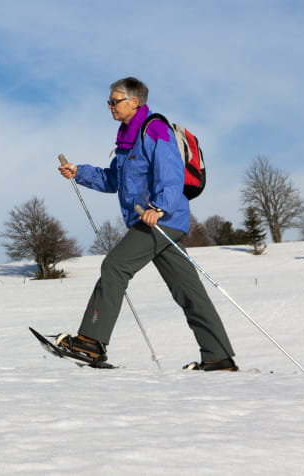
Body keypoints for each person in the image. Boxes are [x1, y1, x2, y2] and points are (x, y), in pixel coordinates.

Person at [55, 77, 237, 371]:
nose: (110, 106)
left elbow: (171, 172)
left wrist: (159, 207)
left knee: (115, 265)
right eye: (109, 102)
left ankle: (91, 342)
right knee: (189, 291)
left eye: (115, 101)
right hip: (155, 221)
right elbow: (113, 179)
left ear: (134, 102)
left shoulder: (154, 128)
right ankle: (218, 357)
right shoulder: (127, 138)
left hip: (160, 219)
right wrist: (79, 172)